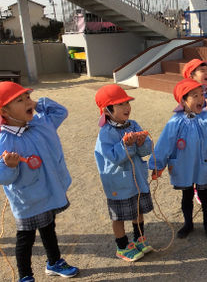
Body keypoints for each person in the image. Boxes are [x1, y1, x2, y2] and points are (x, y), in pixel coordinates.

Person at [0, 82, 79, 281]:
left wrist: (36, 104)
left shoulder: (41, 123)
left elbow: (60, 111)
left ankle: (54, 262)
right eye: (20, 100)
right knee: (25, 238)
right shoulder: (4, 141)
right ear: (4, 110)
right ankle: (25, 276)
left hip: (50, 190)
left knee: (48, 228)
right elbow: (4, 178)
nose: (27, 101)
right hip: (28, 199)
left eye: (27, 96)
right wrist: (8, 166)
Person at [150, 78, 207, 239]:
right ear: (183, 100)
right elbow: (164, 144)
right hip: (184, 165)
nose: (200, 99)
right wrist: (158, 164)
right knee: (187, 195)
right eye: (194, 96)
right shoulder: (175, 122)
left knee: (205, 195)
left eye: (201, 95)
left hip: (204, 164)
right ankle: (188, 223)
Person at [94, 84, 154, 262]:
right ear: (107, 110)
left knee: (138, 210)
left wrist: (142, 142)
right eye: (120, 104)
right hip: (118, 180)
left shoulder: (133, 125)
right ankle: (121, 246)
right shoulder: (106, 133)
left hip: (136, 178)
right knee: (119, 215)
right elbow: (113, 157)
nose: (126, 107)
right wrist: (125, 145)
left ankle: (139, 238)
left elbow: (146, 150)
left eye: (127, 102)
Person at [182, 59, 207, 200]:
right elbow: (190, 114)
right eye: (202, 71)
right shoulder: (188, 95)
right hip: (198, 135)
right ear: (191, 76)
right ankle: (198, 189)